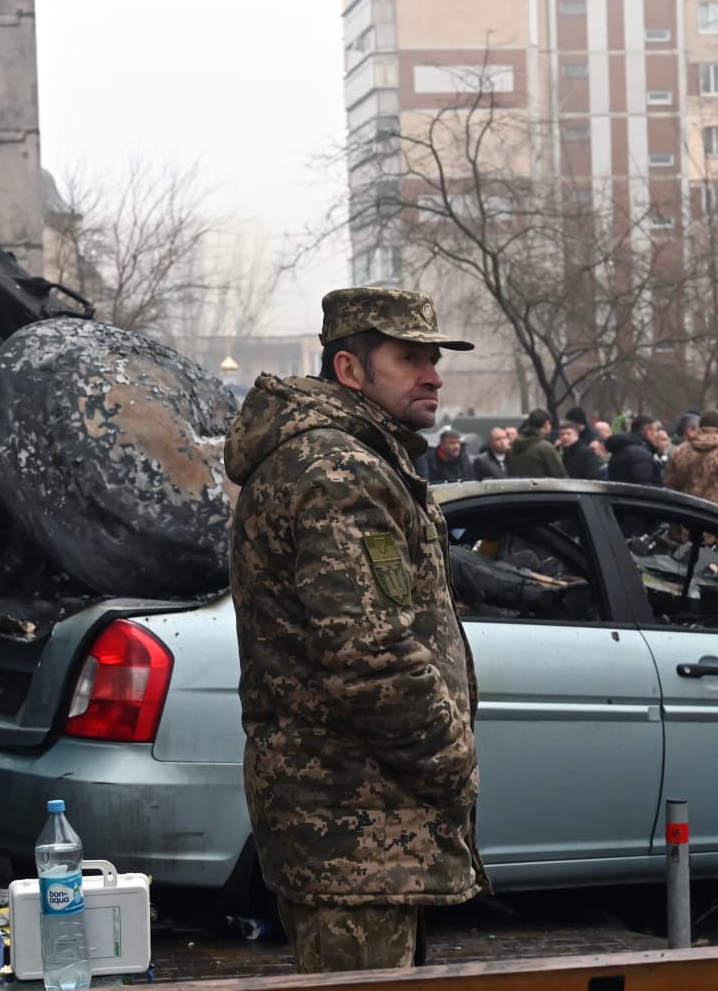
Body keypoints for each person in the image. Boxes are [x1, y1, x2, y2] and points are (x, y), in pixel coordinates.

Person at [224, 286, 486, 972]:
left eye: (434, 357)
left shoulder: (357, 460)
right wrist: (452, 760)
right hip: (352, 824)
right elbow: (369, 650)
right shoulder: (335, 470)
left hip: (365, 828)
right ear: (350, 369)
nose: (432, 373)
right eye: (410, 357)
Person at [506, 409, 565, 478]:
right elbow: (560, 476)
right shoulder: (545, 448)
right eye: (550, 424)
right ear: (546, 424)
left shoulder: (513, 447)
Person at [606, 416, 663, 485]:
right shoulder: (641, 454)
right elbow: (644, 488)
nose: (657, 435)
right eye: (655, 430)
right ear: (647, 431)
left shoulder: (621, 448)